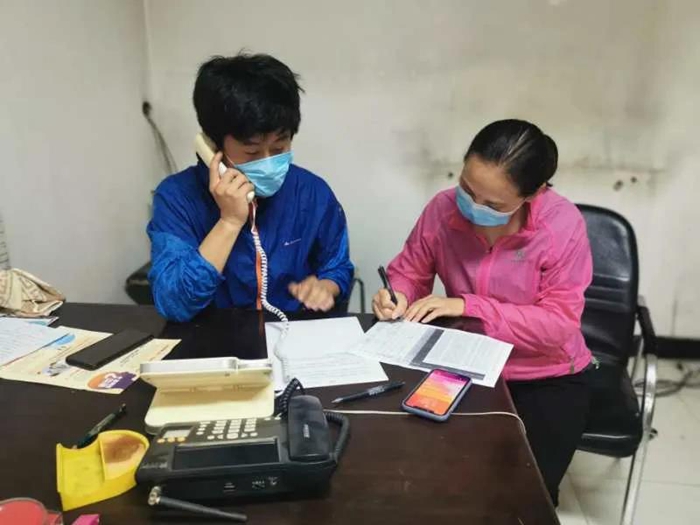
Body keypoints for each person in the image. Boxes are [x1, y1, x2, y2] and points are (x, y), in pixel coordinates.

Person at [372, 119, 593, 505]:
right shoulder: (442, 209)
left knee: (525, 497)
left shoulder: (561, 226)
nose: (474, 207)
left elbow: (558, 325)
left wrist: (468, 305)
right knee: (444, 482)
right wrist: (397, 295)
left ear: (534, 193)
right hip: (464, 362)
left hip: (544, 378)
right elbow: (409, 271)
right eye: (467, 189)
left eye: (493, 205)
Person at [147, 53, 354, 322]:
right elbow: (174, 303)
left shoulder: (312, 192)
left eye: (279, 148)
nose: (268, 163)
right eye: (252, 152)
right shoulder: (176, 197)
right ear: (212, 146)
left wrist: (326, 286)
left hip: (292, 333)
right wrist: (229, 222)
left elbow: (337, 266)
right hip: (212, 338)